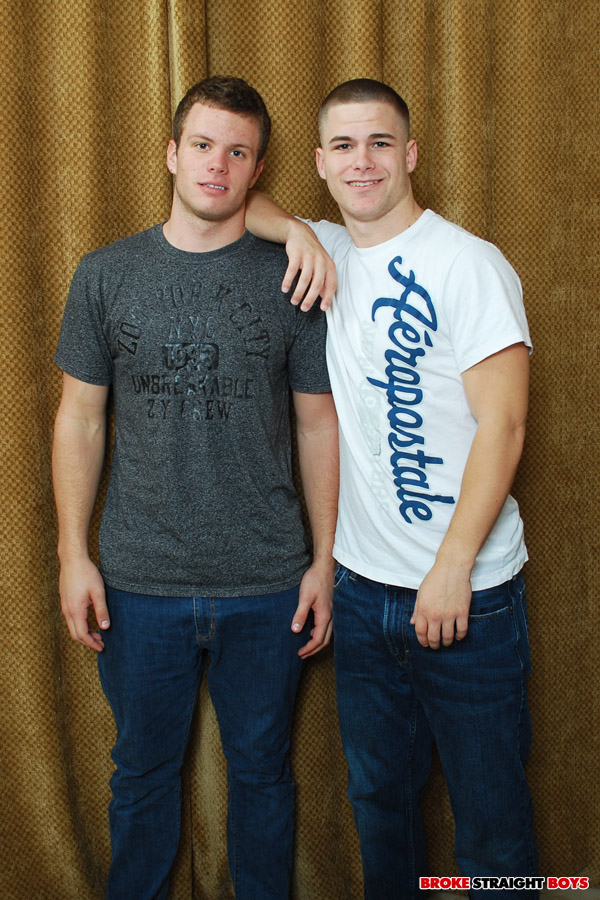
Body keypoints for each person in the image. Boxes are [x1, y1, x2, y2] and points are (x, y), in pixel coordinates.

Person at [246, 78, 539, 899]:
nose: (362, 161)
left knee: (492, 827)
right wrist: (297, 233)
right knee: (380, 805)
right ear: (320, 163)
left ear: (410, 154)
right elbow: (249, 203)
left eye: (379, 142)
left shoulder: (468, 265)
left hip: (469, 595)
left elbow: (505, 426)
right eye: (343, 146)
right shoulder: (331, 251)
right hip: (364, 594)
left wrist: (451, 568)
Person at [52, 75, 339, 900]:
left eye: (238, 153)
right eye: (204, 146)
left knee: (263, 773)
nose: (218, 165)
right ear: (173, 154)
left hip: (268, 580)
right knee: (141, 774)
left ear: (258, 170)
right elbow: (80, 420)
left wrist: (323, 563)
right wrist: (73, 555)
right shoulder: (105, 274)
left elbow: (318, 426)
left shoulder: (293, 278)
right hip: (139, 582)